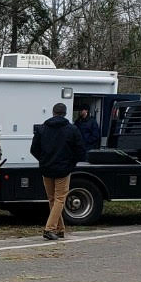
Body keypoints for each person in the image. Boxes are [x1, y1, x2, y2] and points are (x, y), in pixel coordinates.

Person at [30, 102, 85, 240]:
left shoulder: (42, 128)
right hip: (63, 169)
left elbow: (34, 149)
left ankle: (60, 229)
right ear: (65, 113)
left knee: (52, 199)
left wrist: (43, 160)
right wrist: (71, 164)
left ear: (53, 113)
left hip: (46, 168)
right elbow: (80, 151)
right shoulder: (72, 129)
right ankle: (49, 229)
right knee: (60, 199)